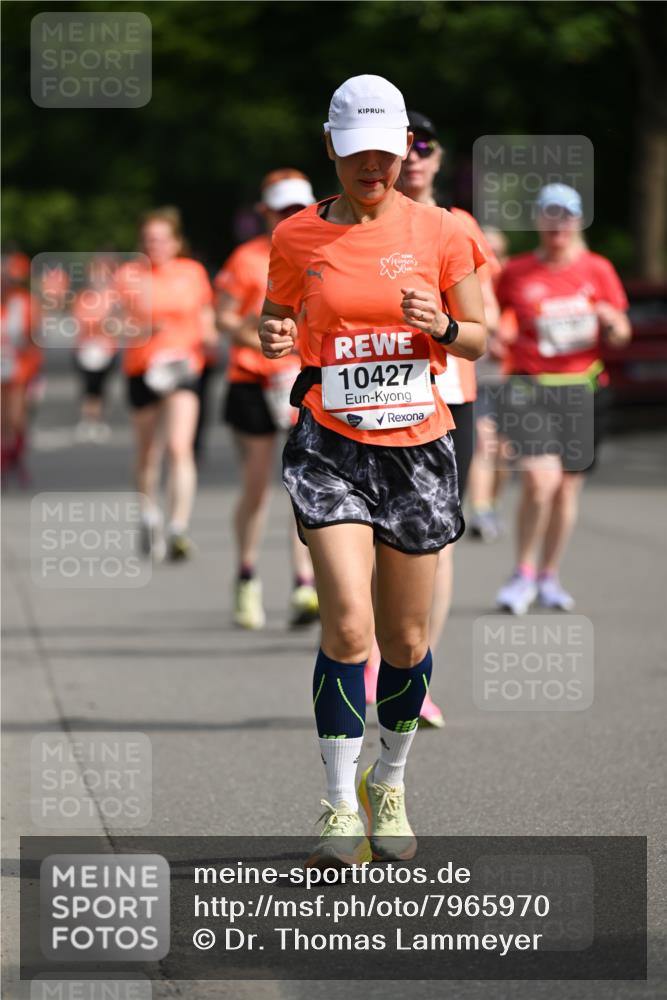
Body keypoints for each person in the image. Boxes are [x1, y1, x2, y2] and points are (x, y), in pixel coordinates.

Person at [259, 75, 486, 867]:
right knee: (349, 625)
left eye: (386, 154)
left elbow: (479, 335)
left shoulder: (442, 230)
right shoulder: (295, 237)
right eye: (357, 153)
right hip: (330, 445)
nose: (372, 168)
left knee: (405, 638)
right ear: (331, 147)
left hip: (417, 449)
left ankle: (387, 783)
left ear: (405, 150)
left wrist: (444, 325)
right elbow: (276, 317)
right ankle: (335, 805)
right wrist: (273, 335)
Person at [385, 110, 500, 728]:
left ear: (438, 157)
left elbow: (490, 317)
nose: (416, 157)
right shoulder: (368, 221)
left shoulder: (458, 225)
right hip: (380, 398)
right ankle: (370, 654)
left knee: (437, 537)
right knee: (376, 537)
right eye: (407, 146)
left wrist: (443, 319)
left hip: (449, 397)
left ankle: (415, 673)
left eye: (426, 146)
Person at [494, 183, 630, 614]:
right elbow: (492, 315)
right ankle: (522, 572)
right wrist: (495, 337)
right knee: (540, 480)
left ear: (577, 221)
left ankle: (548, 575)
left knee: (566, 488)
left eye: (565, 215)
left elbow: (622, 333)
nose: (557, 224)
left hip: (582, 389)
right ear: (538, 219)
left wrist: (611, 322)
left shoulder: (597, 270)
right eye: (550, 214)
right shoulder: (517, 271)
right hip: (529, 387)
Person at [215, 170, 320, 629]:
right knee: (257, 485)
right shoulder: (246, 258)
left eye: (298, 209)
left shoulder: (324, 249)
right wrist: (255, 335)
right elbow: (222, 318)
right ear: (265, 213)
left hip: (304, 380)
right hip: (253, 380)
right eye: (282, 210)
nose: (290, 217)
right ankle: (247, 575)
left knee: (305, 486)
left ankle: (304, 584)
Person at [115, 207, 217, 561]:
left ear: (175, 242)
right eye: (148, 239)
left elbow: (205, 314)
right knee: (148, 451)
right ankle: (148, 514)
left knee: (179, 447)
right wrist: (141, 328)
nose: (154, 245)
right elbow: (111, 324)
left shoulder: (192, 272)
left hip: (183, 367)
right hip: (142, 368)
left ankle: (178, 526)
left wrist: (210, 336)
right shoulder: (129, 275)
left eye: (160, 239)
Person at [467, 226, 515, 542]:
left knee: (505, 451)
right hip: (479, 375)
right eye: (486, 250)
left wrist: (507, 334)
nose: (491, 256)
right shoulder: (470, 281)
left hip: (512, 376)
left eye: (496, 251)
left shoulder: (514, 281)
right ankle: (481, 511)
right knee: (484, 443)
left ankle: (493, 505)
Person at [1, 252, 42, 485]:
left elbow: (34, 337)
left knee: (16, 418)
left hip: (19, 368)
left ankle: (16, 458)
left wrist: (34, 369)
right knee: (2, 418)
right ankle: (4, 460)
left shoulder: (25, 303)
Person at [72, 255, 120, 444]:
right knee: (87, 387)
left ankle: (99, 419)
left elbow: (115, 323)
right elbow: (81, 320)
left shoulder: (113, 297)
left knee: (101, 387)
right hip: (85, 348)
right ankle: (87, 420)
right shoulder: (83, 297)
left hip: (107, 349)